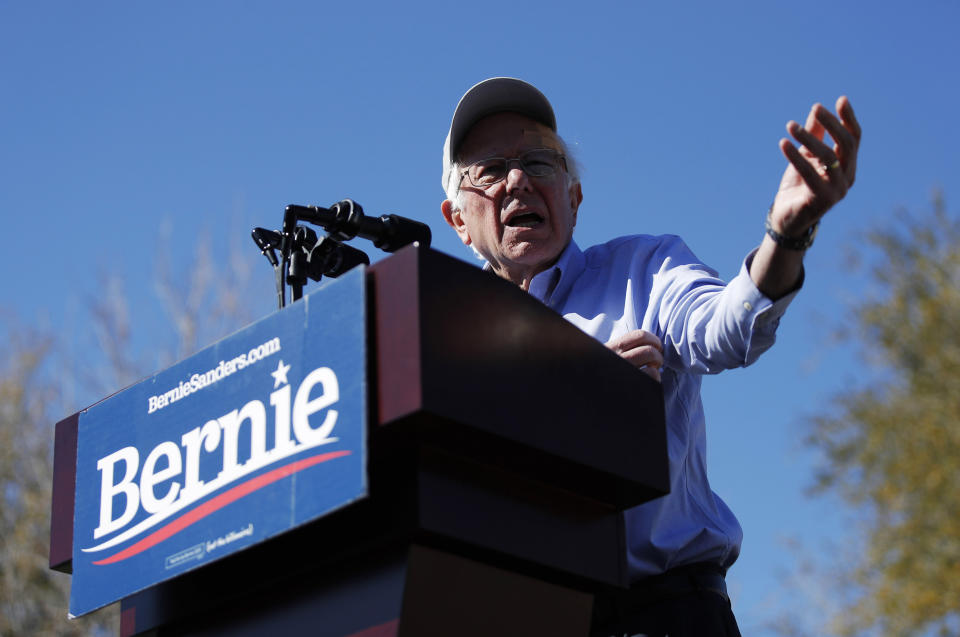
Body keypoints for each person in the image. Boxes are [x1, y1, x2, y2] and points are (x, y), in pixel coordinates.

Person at [439, 77, 860, 637]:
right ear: (457, 219)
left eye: (540, 162)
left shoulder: (645, 270)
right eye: (490, 170)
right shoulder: (445, 345)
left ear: (573, 196)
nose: (517, 180)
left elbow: (727, 330)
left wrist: (785, 235)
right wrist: (571, 399)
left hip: (668, 614)